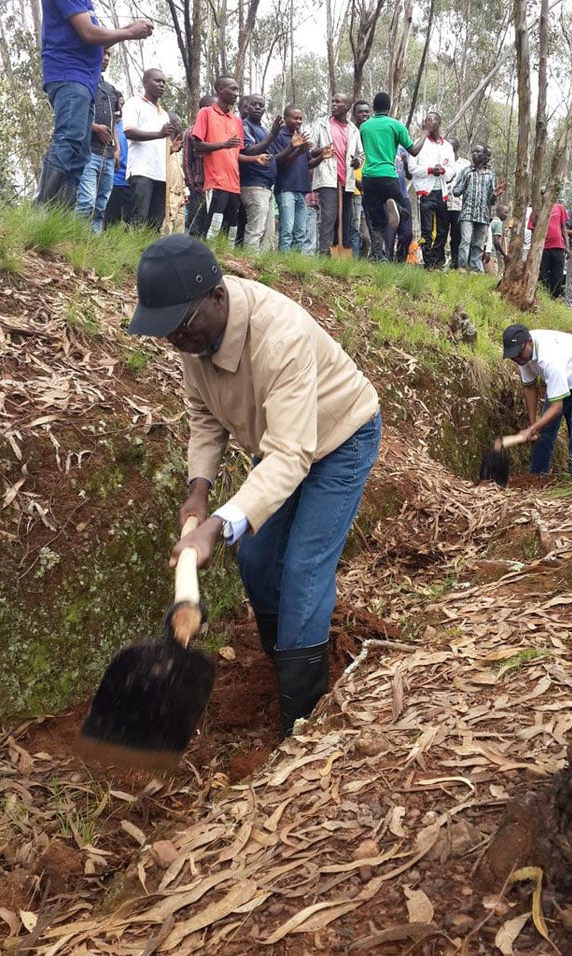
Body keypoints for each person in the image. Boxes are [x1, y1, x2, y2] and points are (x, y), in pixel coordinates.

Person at [128, 235, 381, 736]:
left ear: (217, 298)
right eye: (167, 334)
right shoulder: (194, 335)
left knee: (305, 570)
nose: (175, 342)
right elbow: (204, 417)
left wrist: (217, 525)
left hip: (340, 439)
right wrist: (199, 490)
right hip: (282, 444)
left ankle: (301, 723)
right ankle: (284, 661)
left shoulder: (278, 335)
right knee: (255, 559)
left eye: (180, 328)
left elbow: (292, 455)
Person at [37, 0, 152, 209]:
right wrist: (130, 33)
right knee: (69, 140)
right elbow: (89, 34)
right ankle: (41, 212)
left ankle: (58, 220)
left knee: (80, 152)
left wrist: (128, 29)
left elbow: (96, 40)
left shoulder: (85, 4)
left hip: (85, 82)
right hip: (69, 74)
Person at [503, 323, 572, 475]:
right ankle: (537, 478)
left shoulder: (550, 359)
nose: (517, 359)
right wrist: (533, 424)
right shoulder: (522, 356)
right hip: (565, 375)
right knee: (544, 429)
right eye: (513, 356)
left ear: (529, 342)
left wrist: (531, 430)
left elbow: (557, 407)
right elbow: (529, 387)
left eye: (518, 354)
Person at [359, 92, 426, 261]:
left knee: (376, 222)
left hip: (368, 176)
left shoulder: (364, 127)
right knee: (404, 212)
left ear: (373, 108)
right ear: (389, 107)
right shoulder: (395, 126)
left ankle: (376, 256)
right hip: (388, 175)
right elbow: (414, 150)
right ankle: (397, 210)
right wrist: (425, 132)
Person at [191, 76, 245, 243]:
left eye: (238, 90)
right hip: (216, 181)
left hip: (234, 183)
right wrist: (223, 144)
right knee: (213, 224)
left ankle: (229, 258)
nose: (237, 93)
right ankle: (208, 256)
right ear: (220, 89)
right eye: (233, 89)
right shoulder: (206, 113)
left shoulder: (237, 120)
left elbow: (237, 153)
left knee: (232, 226)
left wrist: (255, 158)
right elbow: (197, 144)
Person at [310, 93, 363, 255]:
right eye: (332, 101)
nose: (333, 104)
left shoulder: (353, 129)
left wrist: (357, 162)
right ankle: (324, 256)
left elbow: (360, 154)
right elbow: (311, 150)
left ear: (347, 107)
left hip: (346, 180)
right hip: (327, 179)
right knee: (329, 218)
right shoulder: (321, 124)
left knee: (344, 221)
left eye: (338, 102)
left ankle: (341, 259)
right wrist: (323, 150)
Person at [123, 68, 176, 230]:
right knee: (139, 218)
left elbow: (160, 144)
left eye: (164, 82)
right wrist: (159, 134)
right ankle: (131, 253)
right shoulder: (134, 103)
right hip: (141, 171)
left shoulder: (164, 114)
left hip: (161, 174)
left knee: (155, 222)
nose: (162, 85)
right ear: (145, 82)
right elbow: (129, 132)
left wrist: (172, 148)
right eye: (157, 81)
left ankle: (150, 254)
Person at [74, 49, 120, 232]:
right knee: (86, 201)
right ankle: (75, 240)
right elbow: (75, 114)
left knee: (101, 204)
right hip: (88, 152)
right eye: (102, 53)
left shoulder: (111, 90)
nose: (106, 58)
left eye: (109, 54)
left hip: (107, 155)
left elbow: (115, 121)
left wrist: (117, 149)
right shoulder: (82, 83)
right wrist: (95, 127)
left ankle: (93, 244)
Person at [273, 106, 329, 253]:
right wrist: (296, 150)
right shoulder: (279, 136)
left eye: (301, 119)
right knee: (287, 230)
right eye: (295, 118)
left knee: (300, 231)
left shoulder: (300, 137)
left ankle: (295, 262)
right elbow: (279, 162)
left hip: (301, 190)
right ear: (285, 119)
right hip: (286, 189)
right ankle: (283, 262)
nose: (299, 121)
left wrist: (322, 156)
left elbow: (309, 163)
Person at [407, 112, 456, 270]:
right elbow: (412, 167)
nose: (427, 122)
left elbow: (452, 170)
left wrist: (443, 171)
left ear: (438, 123)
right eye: (426, 120)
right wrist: (429, 170)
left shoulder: (447, 146)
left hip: (441, 192)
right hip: (425, 193)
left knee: (442, 229)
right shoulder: (419, 143)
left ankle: (436, 259)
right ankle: (428, 262)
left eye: (431, 119)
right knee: (426, 229)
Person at [452, 145, 506, 273]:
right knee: (465, 240)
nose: (474, 154)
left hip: (483, 215)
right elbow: (455, 191)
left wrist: (495, 194)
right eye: (473, 152)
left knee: (478, 244)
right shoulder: (466, 172)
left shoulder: (490, 175)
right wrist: (465, 183)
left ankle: (476, 269)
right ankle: (462, 268)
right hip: (467, 213)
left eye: (478, 152)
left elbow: (491, 200)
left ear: (485, 156)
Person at [241, 94, 283, 251]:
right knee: (256, 229)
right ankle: (249, 263)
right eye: (254, 104)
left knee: (269, 233)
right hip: (253, 184)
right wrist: (273, 134)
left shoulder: (264, 130)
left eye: (261, 105)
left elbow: (271, 157)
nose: (258, 107)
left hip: (267, 186)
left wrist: (294, 148)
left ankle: (262, 267)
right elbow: (249, 150)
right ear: (247, 107)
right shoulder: (245, 125)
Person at [183, 94, 218, 237]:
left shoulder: (221, 131)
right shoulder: (191, 132)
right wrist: (192, 185)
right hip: (200, 186)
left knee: (213, 227)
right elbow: (186, 161)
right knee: (195, 225)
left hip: (218, 186)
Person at [530, 190, 569, 297]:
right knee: (543, 275)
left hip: (558, 247)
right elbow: (533, 231)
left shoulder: (559, 207)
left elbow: (563, 227)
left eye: (546, 193)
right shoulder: (536, 211)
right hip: (543, 248)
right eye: (541, 193)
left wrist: (567, 246)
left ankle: (555, 297)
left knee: (558, 275)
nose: (544, 195)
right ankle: (545, 296)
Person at [103, 94, 131, 226]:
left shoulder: (129, 126)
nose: (121, 108)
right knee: (109, 222)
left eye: (123, 104)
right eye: (119, 104)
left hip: (130, 182)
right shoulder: (108, 127)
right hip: (113, 180)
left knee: (130, 223)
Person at [350, 100, 371, 258]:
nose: (364, 115)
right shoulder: (350, 133)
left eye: (366, 112)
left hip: (370, 191)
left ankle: (364, 261)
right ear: (354, 115)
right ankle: (353, 262)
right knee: (354, 228)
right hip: (354, 190)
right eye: (360, 112)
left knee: (368, 234)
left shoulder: (370, 134)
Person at [447, 139, 470, 268]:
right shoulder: (441, 161)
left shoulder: (465, 164)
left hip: (459, 205)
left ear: (456, 149)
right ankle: (438, 261)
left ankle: (456, 262)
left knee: (457, 235)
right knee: (441, 233)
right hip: (444, 203)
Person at [489, 204, 510, 277]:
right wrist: (504, 255)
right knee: (492, 275)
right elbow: (496, 242)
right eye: (505, 212)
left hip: (487, 251)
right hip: (491, 253)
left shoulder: (492, 221)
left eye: (508, 213)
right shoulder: (498, 223)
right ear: (499, 212)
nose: (507, 215)